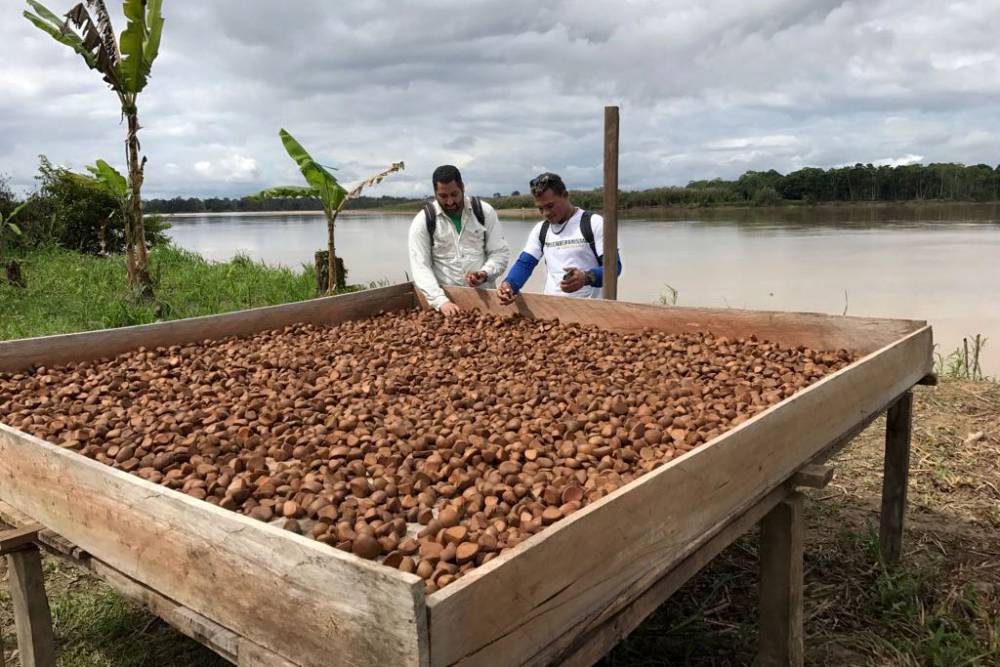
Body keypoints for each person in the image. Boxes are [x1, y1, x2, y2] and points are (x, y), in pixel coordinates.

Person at [497, 172, 621, 304]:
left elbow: (614, 268)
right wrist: (509, 285)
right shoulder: (541, 230)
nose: (546, 213)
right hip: (553, 308)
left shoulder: (594, 223)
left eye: (550, 206)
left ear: (565, 196)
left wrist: (586, 278)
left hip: (590, 310)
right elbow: (525, 264)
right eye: (540, 208)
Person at [409, 165, 510, 316]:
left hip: (486, 303)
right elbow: (420, 267)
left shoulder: (484, 212)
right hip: (445, 305)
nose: (450, 202)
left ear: (462, 187)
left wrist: (484, 273)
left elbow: (499, 253)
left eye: (454, 194)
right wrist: (440, 301)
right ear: (435, 193)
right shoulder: (423, 221)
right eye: (443, 196)